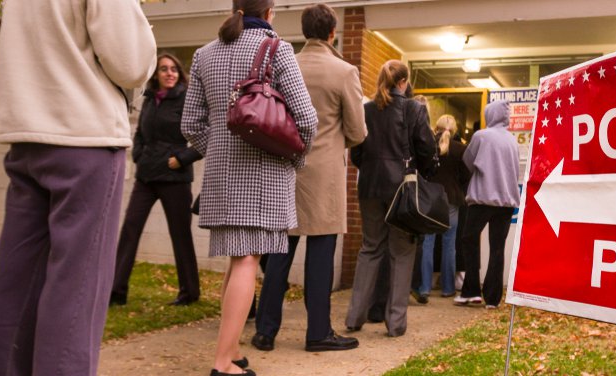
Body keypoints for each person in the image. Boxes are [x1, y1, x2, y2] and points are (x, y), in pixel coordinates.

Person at [0, 1, 156, 375]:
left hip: (26, 133)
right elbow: (130, 62)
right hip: (84, 134)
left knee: (15, 278)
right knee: (77, 288)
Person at [181, 0, 318, 374]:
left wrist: (222, 152)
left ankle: (233, 347)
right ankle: (223, 363)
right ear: (270, 12)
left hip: (222, 176)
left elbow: (191, 124)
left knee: (236, 259)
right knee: (246, 260)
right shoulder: (277, 49)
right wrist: (293, 159)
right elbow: (306, 118)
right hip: (264, 173)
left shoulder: (203, 53)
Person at [251, 3, 366, 353]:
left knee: (279, 254)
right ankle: (318, 332)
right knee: (320, 256)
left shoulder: (283, 65)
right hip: (325, 175)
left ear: (304, 30)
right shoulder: (344, 71)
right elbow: (359, 131)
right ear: (333, 32)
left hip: (285, 168)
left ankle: (265, 331)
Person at [344, 60, 437, 337]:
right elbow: (427, 149)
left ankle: (354, 317)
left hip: (371, 187)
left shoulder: (367, 110)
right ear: (403, 82)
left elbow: (357, 153)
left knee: (370, 248)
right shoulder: (414, 109)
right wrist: (424, 173)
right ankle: (395, 323)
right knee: (402, 253)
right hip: (402, 189)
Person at [110, 53, 203, 307]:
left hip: (175, 177)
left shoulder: (187, 98)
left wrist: (182, 158)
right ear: (156, 75)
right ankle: (116, 291)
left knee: (180, 234)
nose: (170, 73)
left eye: (174, 69)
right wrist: (139, 154)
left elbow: (206, 134)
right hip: (147, 175)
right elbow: (140, 132)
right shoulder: (150, 99)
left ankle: (189, 292)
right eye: (164, 69)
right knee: (130, 229)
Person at [454, 100, 520, 309]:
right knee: (497, 247)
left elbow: (467, 160)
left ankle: (471, 291)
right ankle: (493, 298)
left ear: (489, 114)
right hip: (507, 200)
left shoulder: (481, 136)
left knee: (469, 239)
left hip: (482, 198)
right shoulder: (512, 140)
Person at [417, 115, 470, 300]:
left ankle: (424, 287)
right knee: (449, 244)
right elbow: (466, 176)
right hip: (452, 199)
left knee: (428, 243)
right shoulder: (461, 149)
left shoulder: (428, 146)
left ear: (436, 127)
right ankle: (448, 288)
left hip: (431, 199)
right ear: (454, 129)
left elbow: (422, 171)